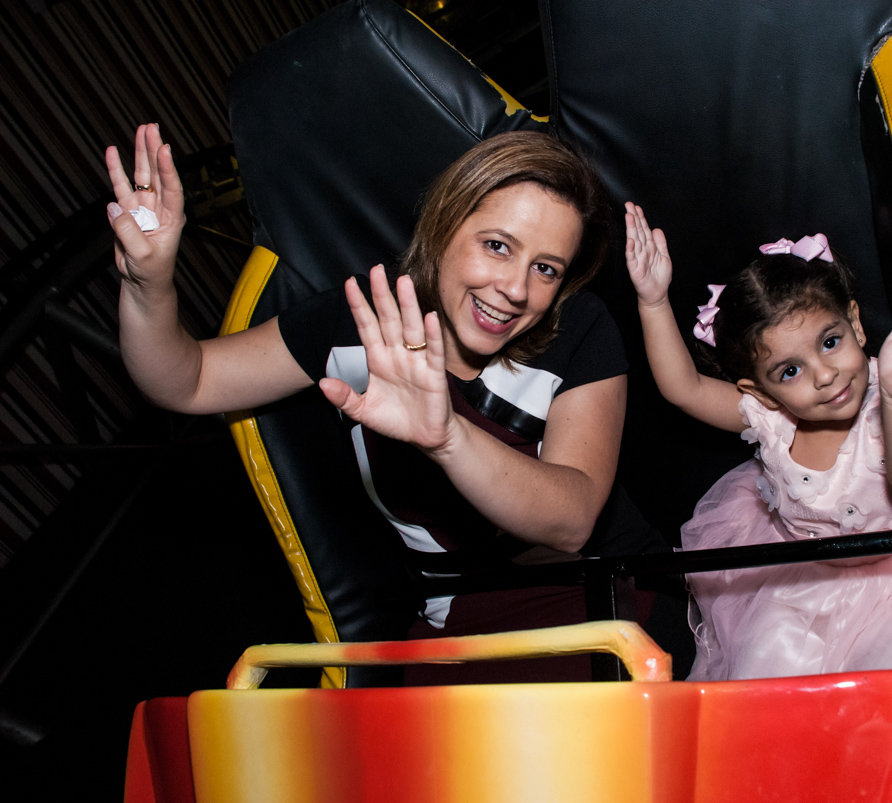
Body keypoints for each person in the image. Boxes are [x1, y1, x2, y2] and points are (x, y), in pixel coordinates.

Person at [105, 123, 669, 683]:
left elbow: (571, 521)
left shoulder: (579, 329)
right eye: (497, 246)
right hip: (458, 623)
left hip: (605, 599)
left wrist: (449, 438)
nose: (517, 289)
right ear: (445, 226)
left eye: (545, 269)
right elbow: (187, 381)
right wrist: (148, 288)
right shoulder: (359, 324)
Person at [623, 202, 892, 683]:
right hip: (804, 580)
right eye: (790, 371)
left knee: (884, 693)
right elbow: (684, 389)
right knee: (773, 681)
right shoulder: (772, 418)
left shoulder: (885, 397)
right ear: (761, 392)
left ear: (855, 323)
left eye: (830, 342)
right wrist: (653, 301)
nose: (824, 375)